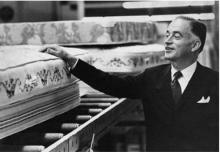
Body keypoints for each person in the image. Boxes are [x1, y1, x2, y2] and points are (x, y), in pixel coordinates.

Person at [41, 16, 219, 151]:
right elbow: (111, 84)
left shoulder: (214, 82)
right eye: (167, 34)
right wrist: (72, 61)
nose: (168, 40)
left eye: (176, 36)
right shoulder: (152, 77)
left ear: (195, 45)